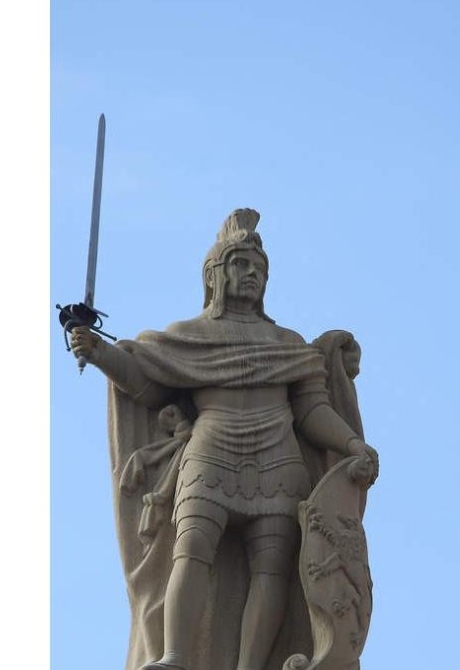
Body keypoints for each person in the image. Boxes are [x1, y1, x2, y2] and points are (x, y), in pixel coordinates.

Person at [71, 208, 378, 670]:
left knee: (271, 568)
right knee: (190, 551)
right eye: (241, 265)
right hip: (209, 454)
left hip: (279, 460)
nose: (252, 274)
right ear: (215, 274)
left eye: (259, 269)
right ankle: (174, 656)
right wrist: (101, 354)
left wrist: (353, 445)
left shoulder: (287, 344)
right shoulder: (189, 337)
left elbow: (312, 410)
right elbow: (148, 385)